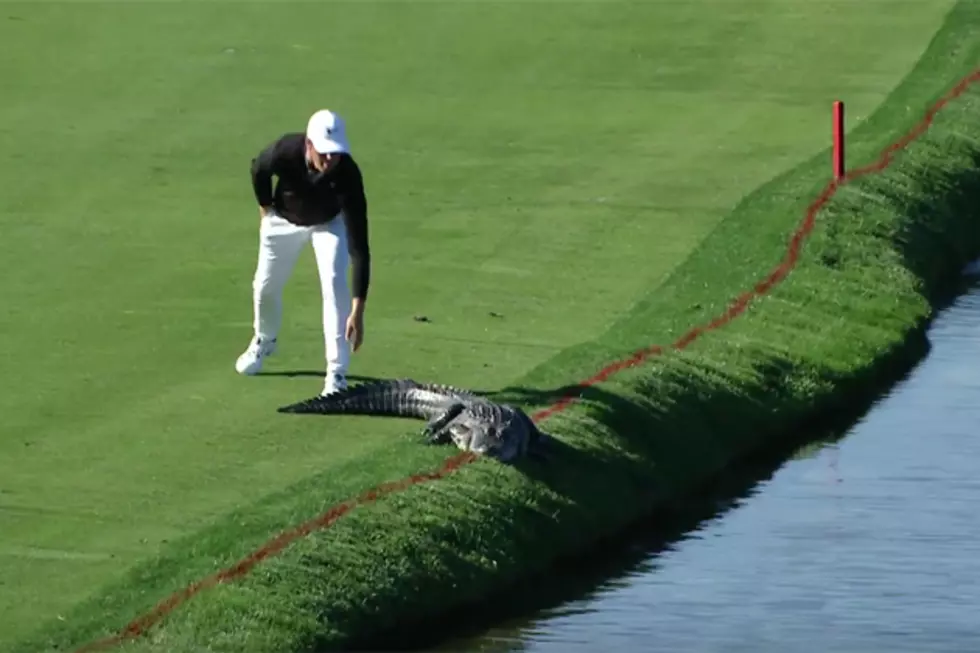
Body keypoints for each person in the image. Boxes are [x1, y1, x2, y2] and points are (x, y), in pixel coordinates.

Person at [235, 108, 371, 396]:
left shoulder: (347, 173)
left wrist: (358, 310)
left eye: (336, 152)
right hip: (283, 219)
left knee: (335, 282)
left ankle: (336, 374)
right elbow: (258, 168)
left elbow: (360, 247)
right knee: (264, 287)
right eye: (325, 153)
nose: (331, 159)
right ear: (309, 144)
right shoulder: (284, 151)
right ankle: (265, 339)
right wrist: (265, 208)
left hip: (328, 224)